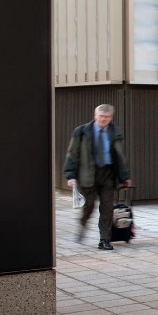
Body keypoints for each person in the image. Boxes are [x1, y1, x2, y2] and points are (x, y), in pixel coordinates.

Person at [63, 104, 131, 250]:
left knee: (107, 208)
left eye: (106, 117)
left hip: (107, 175)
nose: (103, 119)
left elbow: (121, 157)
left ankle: (104, 240)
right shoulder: (82, 131)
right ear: (95, 116)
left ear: (111, 118)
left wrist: (125, 176)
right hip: (87, 175)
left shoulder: (115, 132)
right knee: (89, 207)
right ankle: (82, 225)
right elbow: (72, 153)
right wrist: (70, 175)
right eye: (101, 116)